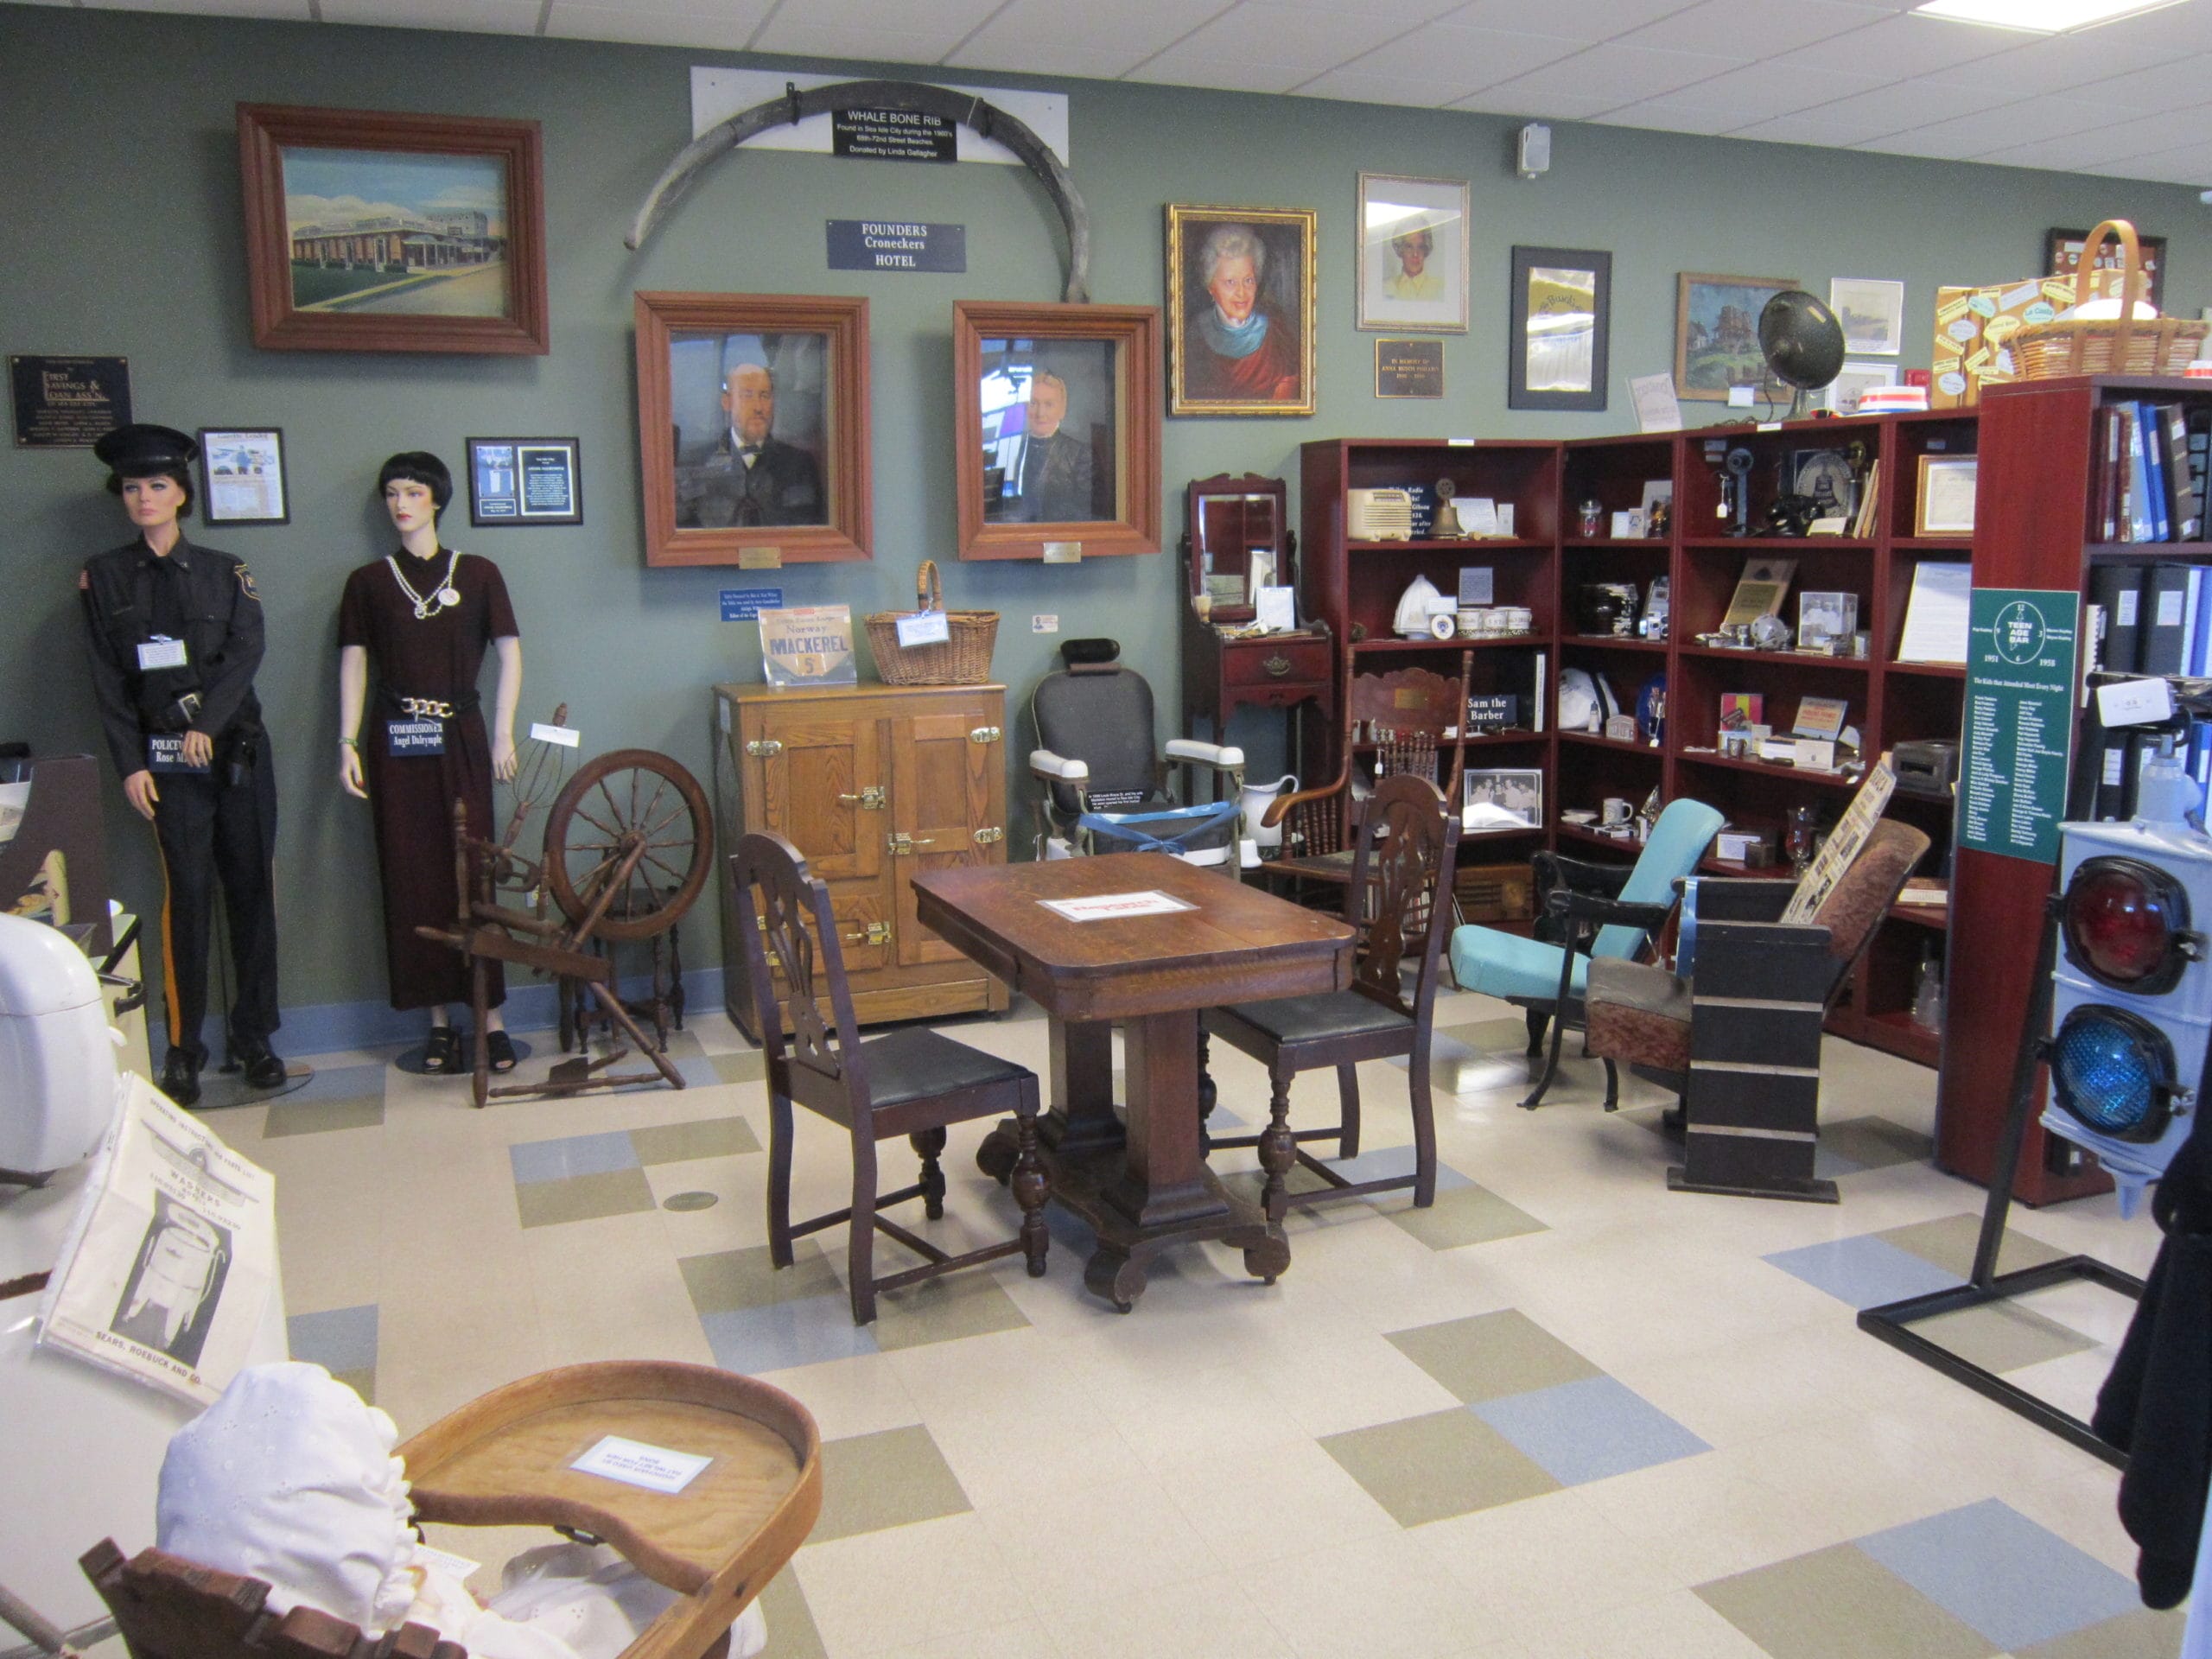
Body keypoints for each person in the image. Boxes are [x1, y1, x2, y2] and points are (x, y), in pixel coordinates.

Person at [79, 423, 284, 1108]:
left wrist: (209, 724)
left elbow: (246, 652)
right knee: (187, 900)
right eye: (132, 487)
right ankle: (183, 1050)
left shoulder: (227, 571)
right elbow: (108, 682)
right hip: (166, 765)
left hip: (237, 757)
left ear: (182, 494)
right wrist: (130, 765)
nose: (144, 497)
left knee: (251, 893)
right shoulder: (104, 577)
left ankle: (255, 1039)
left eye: (157, 486)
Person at [337, 452, 522, 1076]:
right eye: (391, 492)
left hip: (463, 734)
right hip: (398, 740)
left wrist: (502, 735)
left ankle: (490, 1017)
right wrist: (348, 742)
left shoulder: (480, 573)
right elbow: (355, 663)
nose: (401, 503)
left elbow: (510, 654)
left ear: (436, 500)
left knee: (474, 868)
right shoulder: (368, 583)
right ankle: (438, 1019)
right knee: (413, 874)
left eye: (413, 491)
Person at [674, 362, 825, 528]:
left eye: (765, 395)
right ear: (727, 402)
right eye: (747, 395)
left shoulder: (799, 464)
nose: (758, 407)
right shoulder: (696, 463)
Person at [1182, 223, 1302, 404]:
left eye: (1248, 280)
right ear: (1211, 287)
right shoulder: (1195, 335)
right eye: (1230, 282)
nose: (1242, 292)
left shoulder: (1277, 331)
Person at [1007, 370, 1095, 523]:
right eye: (1033, 403)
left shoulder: (1080, 454)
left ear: (1061, 410)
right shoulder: (1017, 448)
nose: (1040, 413)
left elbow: (1085, 515)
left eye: (1049, 404)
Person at [1383, 224, 1441, 302]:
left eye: (1420, 247)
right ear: (1400, 250)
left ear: (1426, 249)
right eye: (1409, 247)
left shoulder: (1440, 288)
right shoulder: (1386, 287)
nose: (1415, 254)